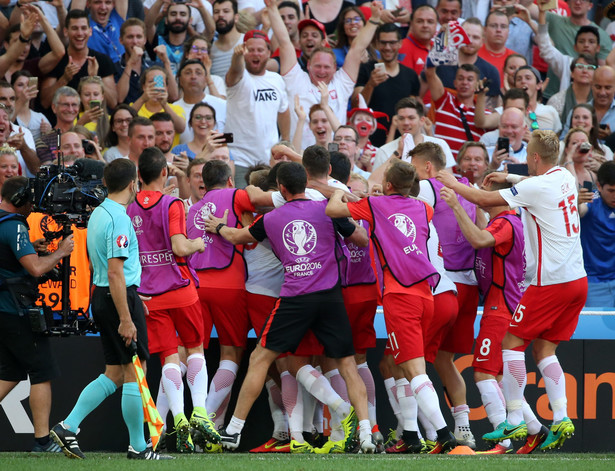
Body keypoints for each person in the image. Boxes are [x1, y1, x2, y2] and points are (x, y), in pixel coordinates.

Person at [202, 161, 375, 453]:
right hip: (330, 298)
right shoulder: (327, 210)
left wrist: (217, 225)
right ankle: (367, 434)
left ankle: (233, 432)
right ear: (305, 184)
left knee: (260, 359)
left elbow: (235, 237)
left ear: (281, 188)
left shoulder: (271, 219)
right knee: (347, 365)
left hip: (294, 298)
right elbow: (361, 238)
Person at [437, 129, 588, 452]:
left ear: (533, 158)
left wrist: (450, 183)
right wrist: (507, 174)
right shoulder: (563, 176)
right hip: (578, 280)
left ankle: (516, 418)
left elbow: (480, 199)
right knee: (544, 351)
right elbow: (534, 176)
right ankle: (560, 416)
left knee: (511, 344)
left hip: (550, 281)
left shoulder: (530, 191)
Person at [326, 159, 458, 454]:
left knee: (415, 370)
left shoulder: (376, 206)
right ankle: (411, 435)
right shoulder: (425, 208)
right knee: (405, 368)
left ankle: (444, 434)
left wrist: (340, 192)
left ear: (387, 185)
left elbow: (332, 211)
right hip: (427, 294)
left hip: (401, 296)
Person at [50, 159, 172, 460]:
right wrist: (126, 315)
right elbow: (116, 271)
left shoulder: (99, 213)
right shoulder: (119, 218)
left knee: (115, 372)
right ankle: (138, 447)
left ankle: (68, 426)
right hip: (117, 297)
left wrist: (127, 295)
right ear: (133, 184)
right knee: (136, 370)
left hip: (104, 295)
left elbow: (107, 269)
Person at [127, 147, 219, 453]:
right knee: (194, 350)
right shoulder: (173, 204)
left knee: (168, 357)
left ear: (139, 176)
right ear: (164, 173)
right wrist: (198, 244)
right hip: (181, 290)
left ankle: (178, 418)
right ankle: (201, 413)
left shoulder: (128, 207)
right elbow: (180, 247)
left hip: (149, 295)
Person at [440, 176, 531, 454]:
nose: (478, 197)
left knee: (482, 373)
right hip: (506, 304)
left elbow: (479, 239)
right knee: (502, 379)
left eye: (483, 195)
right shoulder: (505, 221)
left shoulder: (505, 223)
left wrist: (456, 205)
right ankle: (536, 431)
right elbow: (483, 230)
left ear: (496, 199)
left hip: (500, 307)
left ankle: (502, 442)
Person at [0, 176, 74, 453]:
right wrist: (60, 252)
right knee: (41, 372)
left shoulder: (4, 223)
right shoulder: (14, 226)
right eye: (31, 200)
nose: (34, 206)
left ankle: (42, 441)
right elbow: (35, 269)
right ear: (20, 199)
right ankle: (43, 441)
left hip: (5, 310)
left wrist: (34, 246)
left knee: (9, 374)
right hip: (16, 311)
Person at [267, 0, 382, 150]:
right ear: (308, 66)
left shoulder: (342, 83)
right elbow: (284, 42)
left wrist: (374, 20)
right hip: (298, 157)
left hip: (333, 158)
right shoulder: (295, 79)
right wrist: (272, 8)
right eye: (317, 66)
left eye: (326, 67)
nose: (322, 71)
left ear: (335, 68)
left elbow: (357, 47)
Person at [224, 30, 290, 187]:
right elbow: (235, 71)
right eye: (250, 50)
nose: (256, 54)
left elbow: (284, 111)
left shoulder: (277, 80)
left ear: (268, 53)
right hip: (240, 159)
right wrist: (237, 56)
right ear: (244, 52)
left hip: (269, 160)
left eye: (260, 50)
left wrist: (285, 141)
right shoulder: (238, 78)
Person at [354, 23, 420, 147]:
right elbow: (356, 105)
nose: (388, 47)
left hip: (403, 143)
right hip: (370, 143)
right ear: (377, 44)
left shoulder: (410, 75)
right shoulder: (366, 70)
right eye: (383, 43)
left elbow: (414, 112)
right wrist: (370, 85)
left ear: (400, 43)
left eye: (392, 42)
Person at [41, 9, 118, 110]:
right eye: (74, 28)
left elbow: (113, 102)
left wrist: (95, 78)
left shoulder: (102, 60)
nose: (80, 33)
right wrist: (64, 79)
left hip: (94, 123)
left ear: (90, 31)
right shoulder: (56, 60)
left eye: (83, 28)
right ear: (65, 31)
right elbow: (45, 102)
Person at [580, 160, 615, 307]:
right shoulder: (590, 200)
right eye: (611, 191)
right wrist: (576, 202)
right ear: (599, 186)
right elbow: (580, 210)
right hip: (593, 284)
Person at [478, 10, 516, 88]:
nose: (498, 30)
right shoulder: (474, 54)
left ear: (508, 31)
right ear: (484, 30)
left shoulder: (515, 59)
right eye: (493, 26)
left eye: (503, 26)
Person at [399, 5, 438, 75]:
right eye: (420, 21)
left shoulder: (439, 48)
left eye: (430, 22)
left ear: (436, 25)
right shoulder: (402, 47)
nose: (425, 25)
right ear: (411, 24)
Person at [210, 0, 244, 78]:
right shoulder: (210, 49)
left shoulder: (246, 42)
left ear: (236, 17)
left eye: (226, 11)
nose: (221, 15)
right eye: (216, 12)